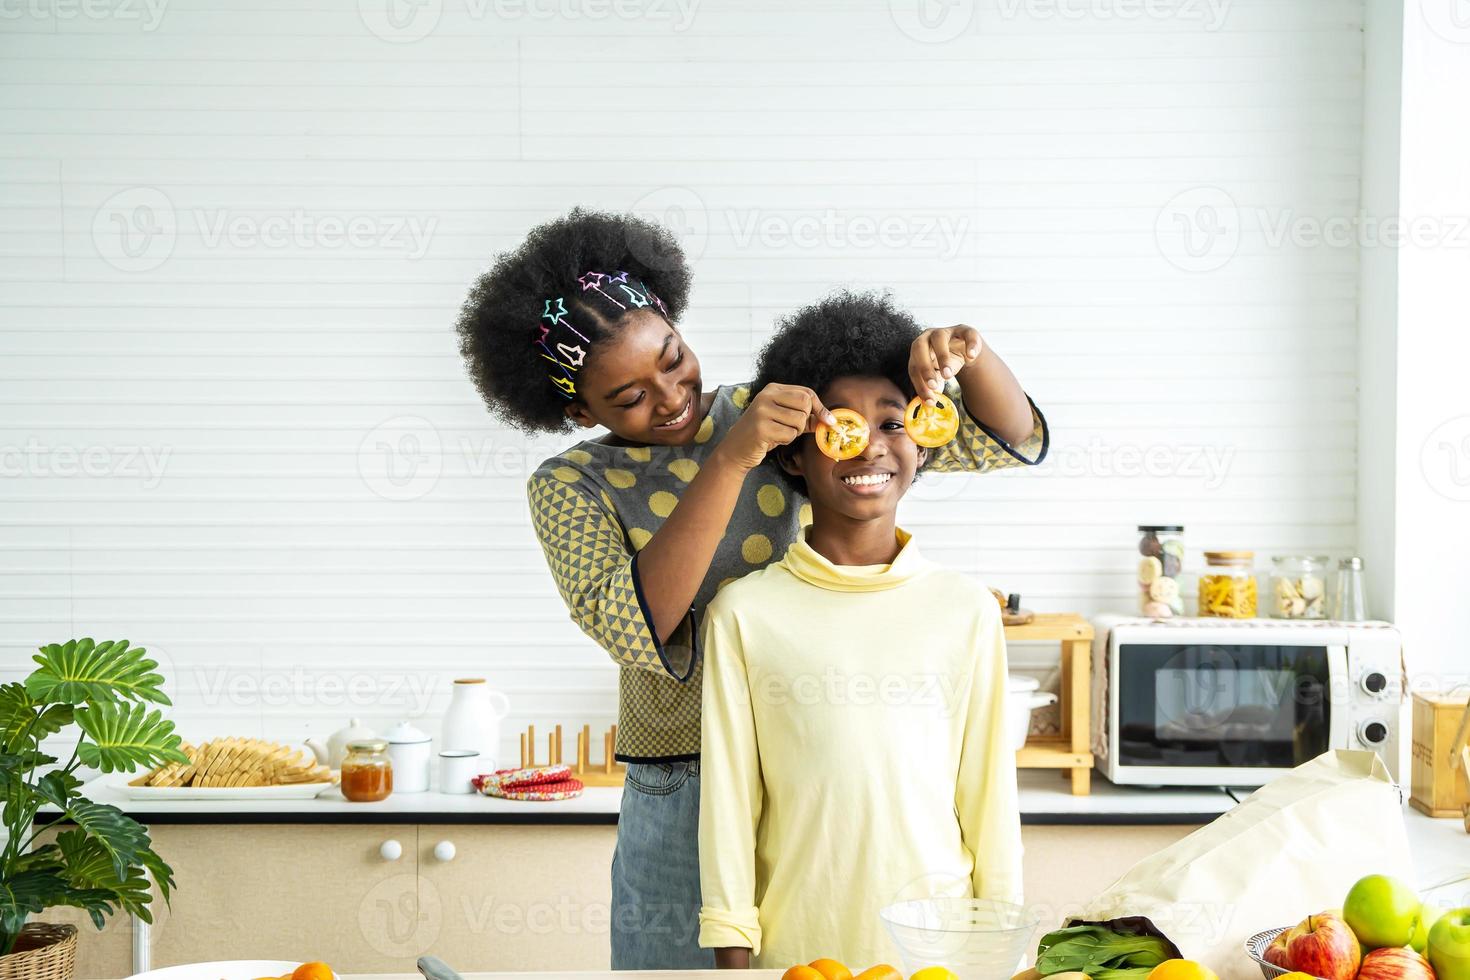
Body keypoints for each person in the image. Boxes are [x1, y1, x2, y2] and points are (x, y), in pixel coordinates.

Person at [454, 209, 1046, 970]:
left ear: (674, 320)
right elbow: (637, 627)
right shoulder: (573, 485)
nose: (670, 397)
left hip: (814, 765)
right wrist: (730, 461)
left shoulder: (771, 409)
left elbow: (1007, 438)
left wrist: (966, 351)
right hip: (684, 781)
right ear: (578, 410)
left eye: (672, 358)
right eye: (629, 398)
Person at [697, 290, 1025, 970]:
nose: (871, 445)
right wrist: (733, 949)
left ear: (926, 442)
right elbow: (728, 807)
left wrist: (998, 950)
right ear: (792, 454)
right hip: (799, 949)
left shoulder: (965, 609)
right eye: (842, 426)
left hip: (939, 950)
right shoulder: (745, 614)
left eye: (893, 423)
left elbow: (990, 799)